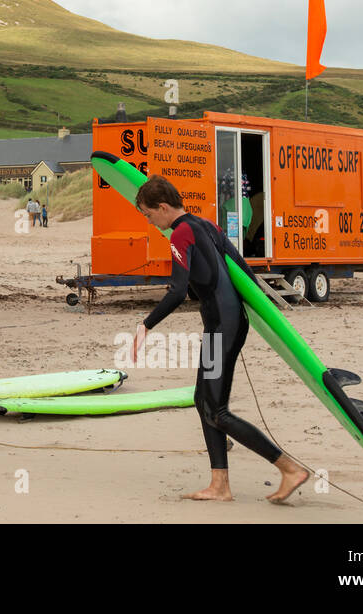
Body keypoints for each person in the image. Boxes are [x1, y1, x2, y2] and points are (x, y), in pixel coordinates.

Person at [131, 175, 308, 503]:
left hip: (219, 330)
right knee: (204, 401)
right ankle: (220, 485)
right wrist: (260, 314)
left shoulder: (180, 234)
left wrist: (146, 325)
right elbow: (242, 268)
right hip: (231, 324)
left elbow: (177, 291)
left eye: (148, 214)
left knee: (216, 411)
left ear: (164, 207)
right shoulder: (205, 225)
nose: (149, 221)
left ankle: (289, 468)